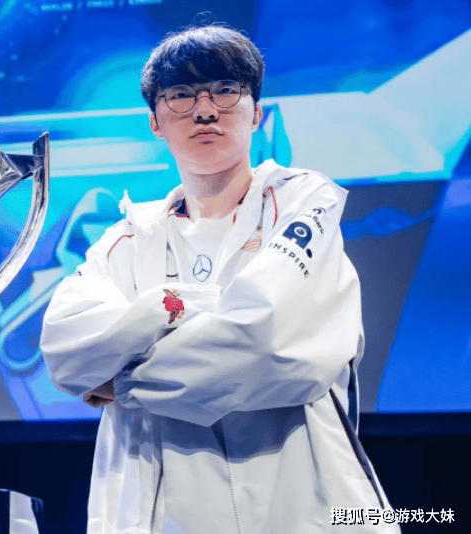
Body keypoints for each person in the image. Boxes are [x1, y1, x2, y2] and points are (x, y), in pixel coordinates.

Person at [40, 25, 398, 534]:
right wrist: (180, 308)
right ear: (155, 122)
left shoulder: (303, 204)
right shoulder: (125, 238)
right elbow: (65, 351)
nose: (205, 109)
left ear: (257, 112)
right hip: (159, 515)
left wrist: (124, 379)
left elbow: (266, 347)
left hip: (302, 508)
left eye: (226, 90)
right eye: (181, 95)